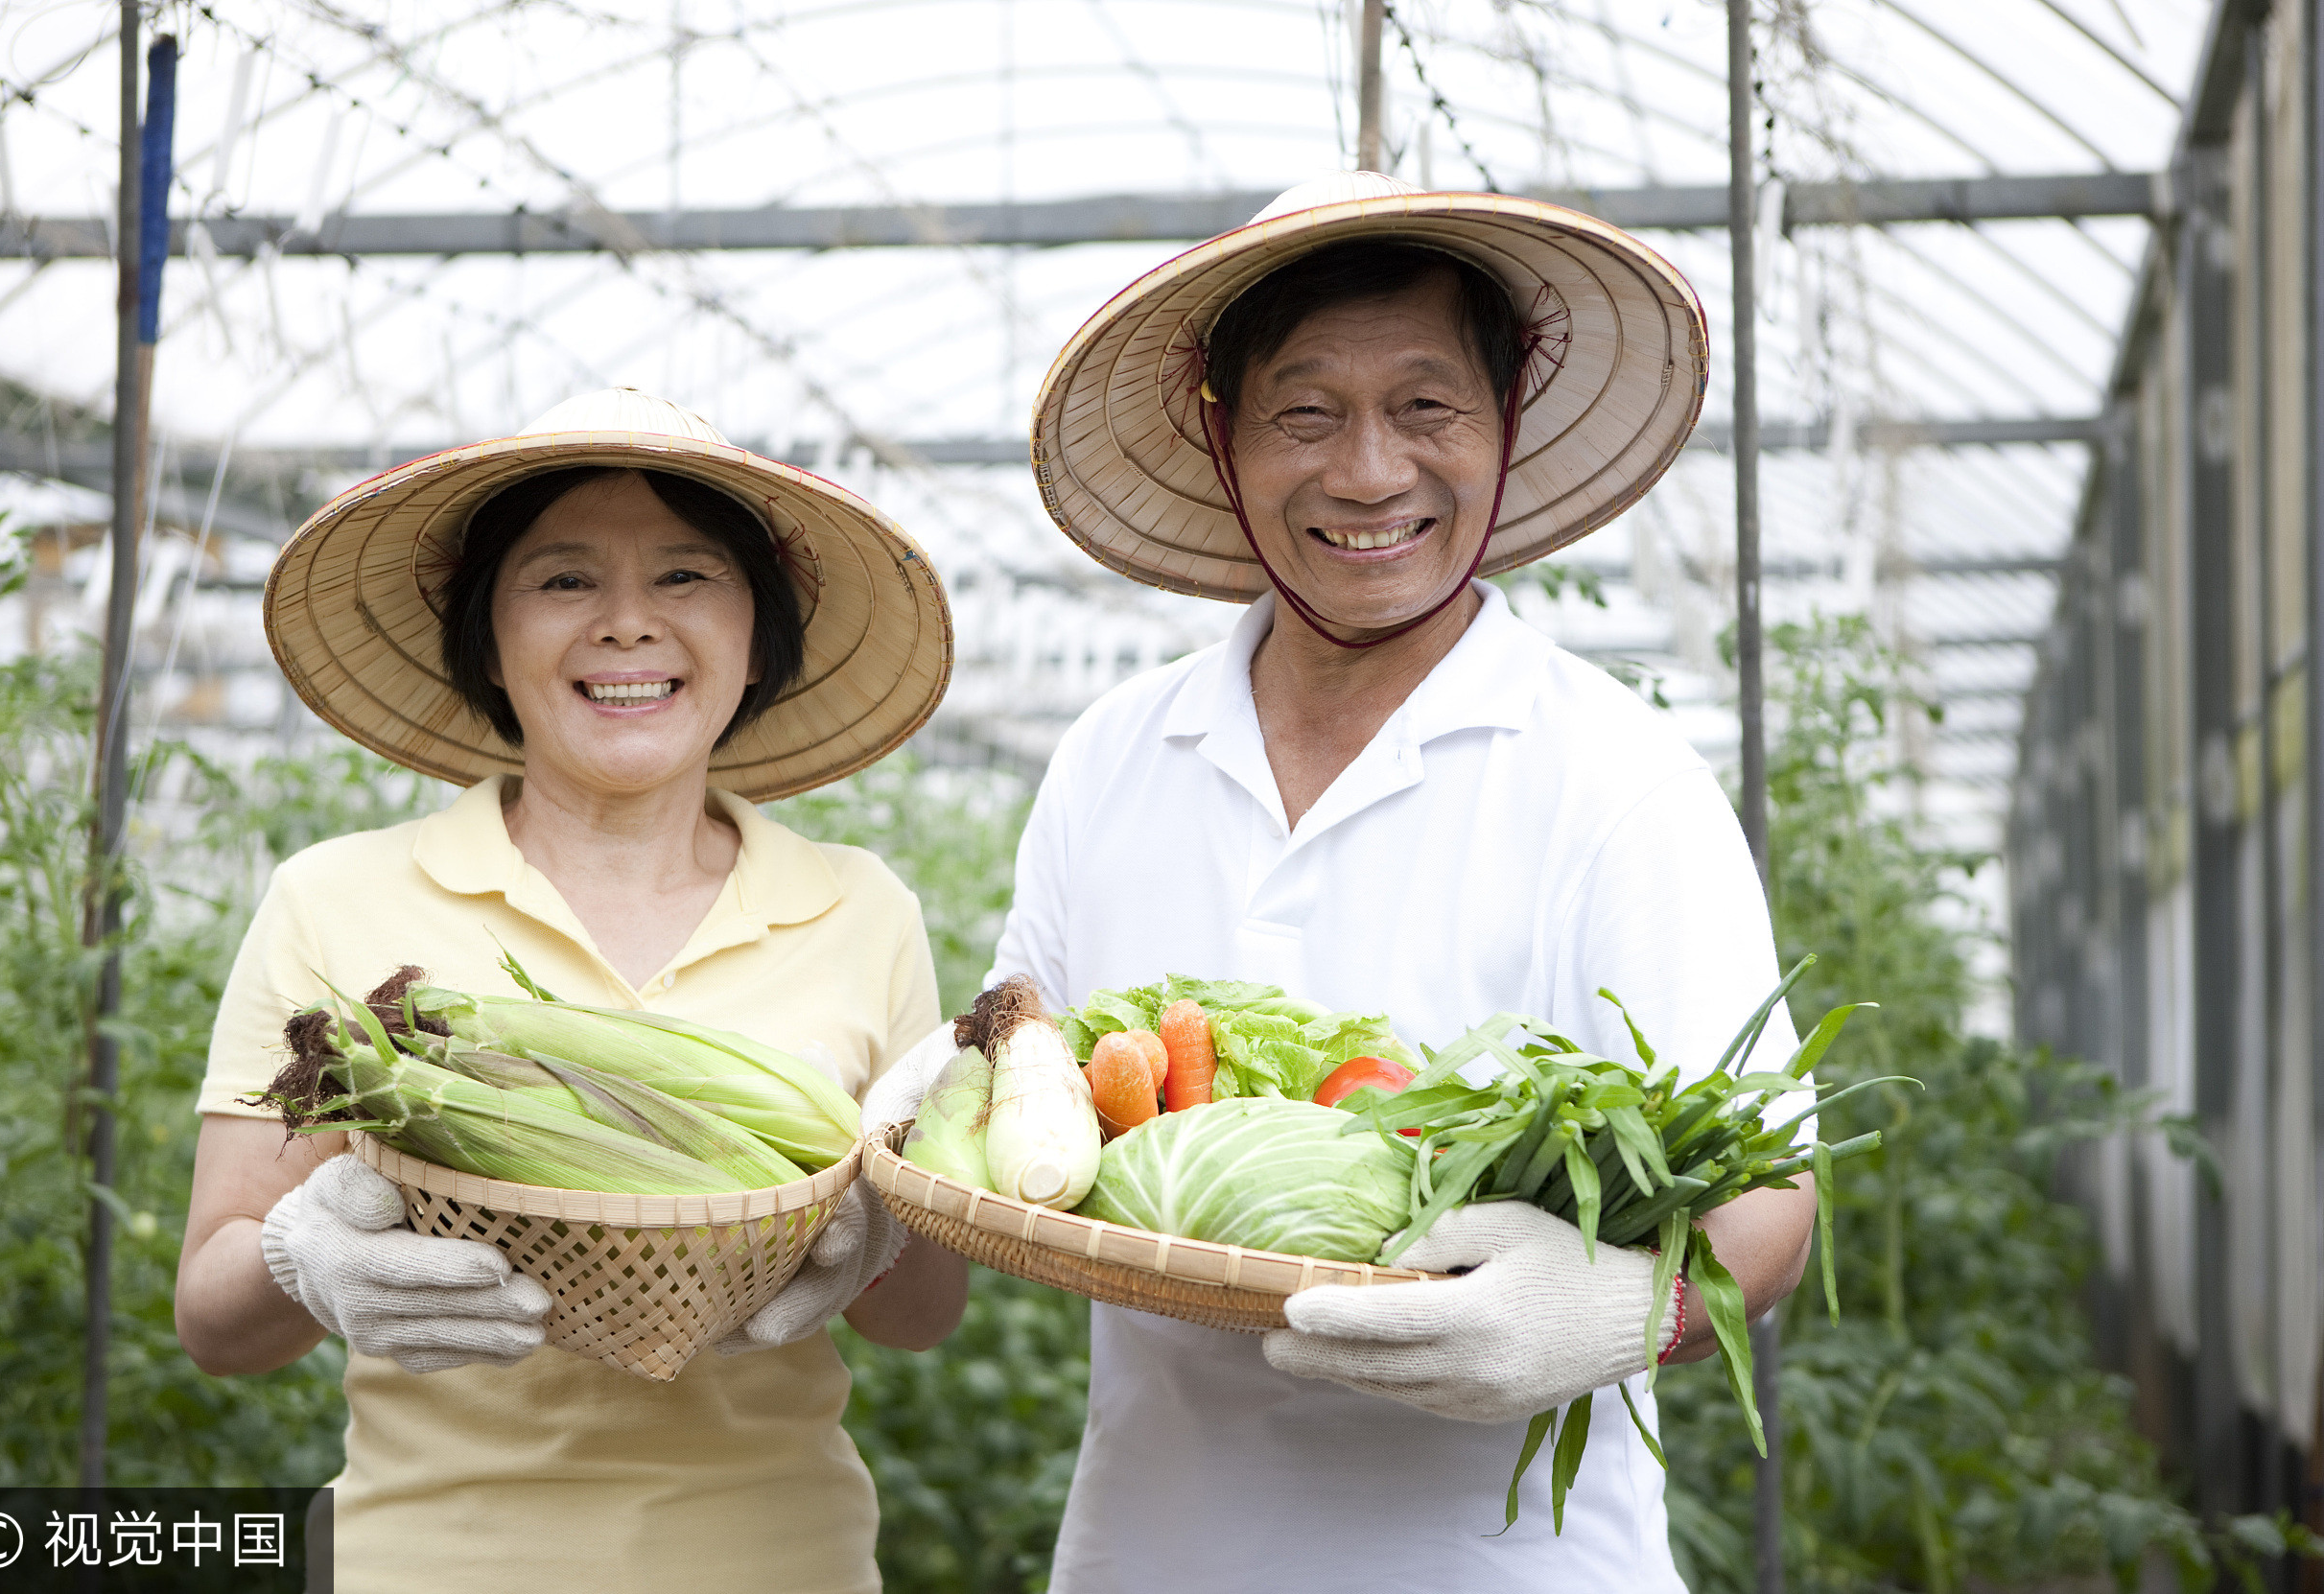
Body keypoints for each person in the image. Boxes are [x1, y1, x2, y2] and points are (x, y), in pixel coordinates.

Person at [873, 172, 1814, 1589]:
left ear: (1506, 426)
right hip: (1152, 1552)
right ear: (1224, 435)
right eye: (1305, 413)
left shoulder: (1615, 775)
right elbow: (1029, 1096)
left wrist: (1622, 1313)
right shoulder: (1117, 755)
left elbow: (1770, 1202)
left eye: (1428, 408)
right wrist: (896, 1133)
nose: (1369, 472)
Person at [176, 387, 969, 1594]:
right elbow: (213, 1321)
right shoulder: (334, 899)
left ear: (760, 637)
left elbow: (919, 1321)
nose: (627, 625)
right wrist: (303, 1258)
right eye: (561, 580)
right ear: (486, 638)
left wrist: (888, 1220)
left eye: (689, 577)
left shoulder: (862, 909)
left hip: (776, 1562)